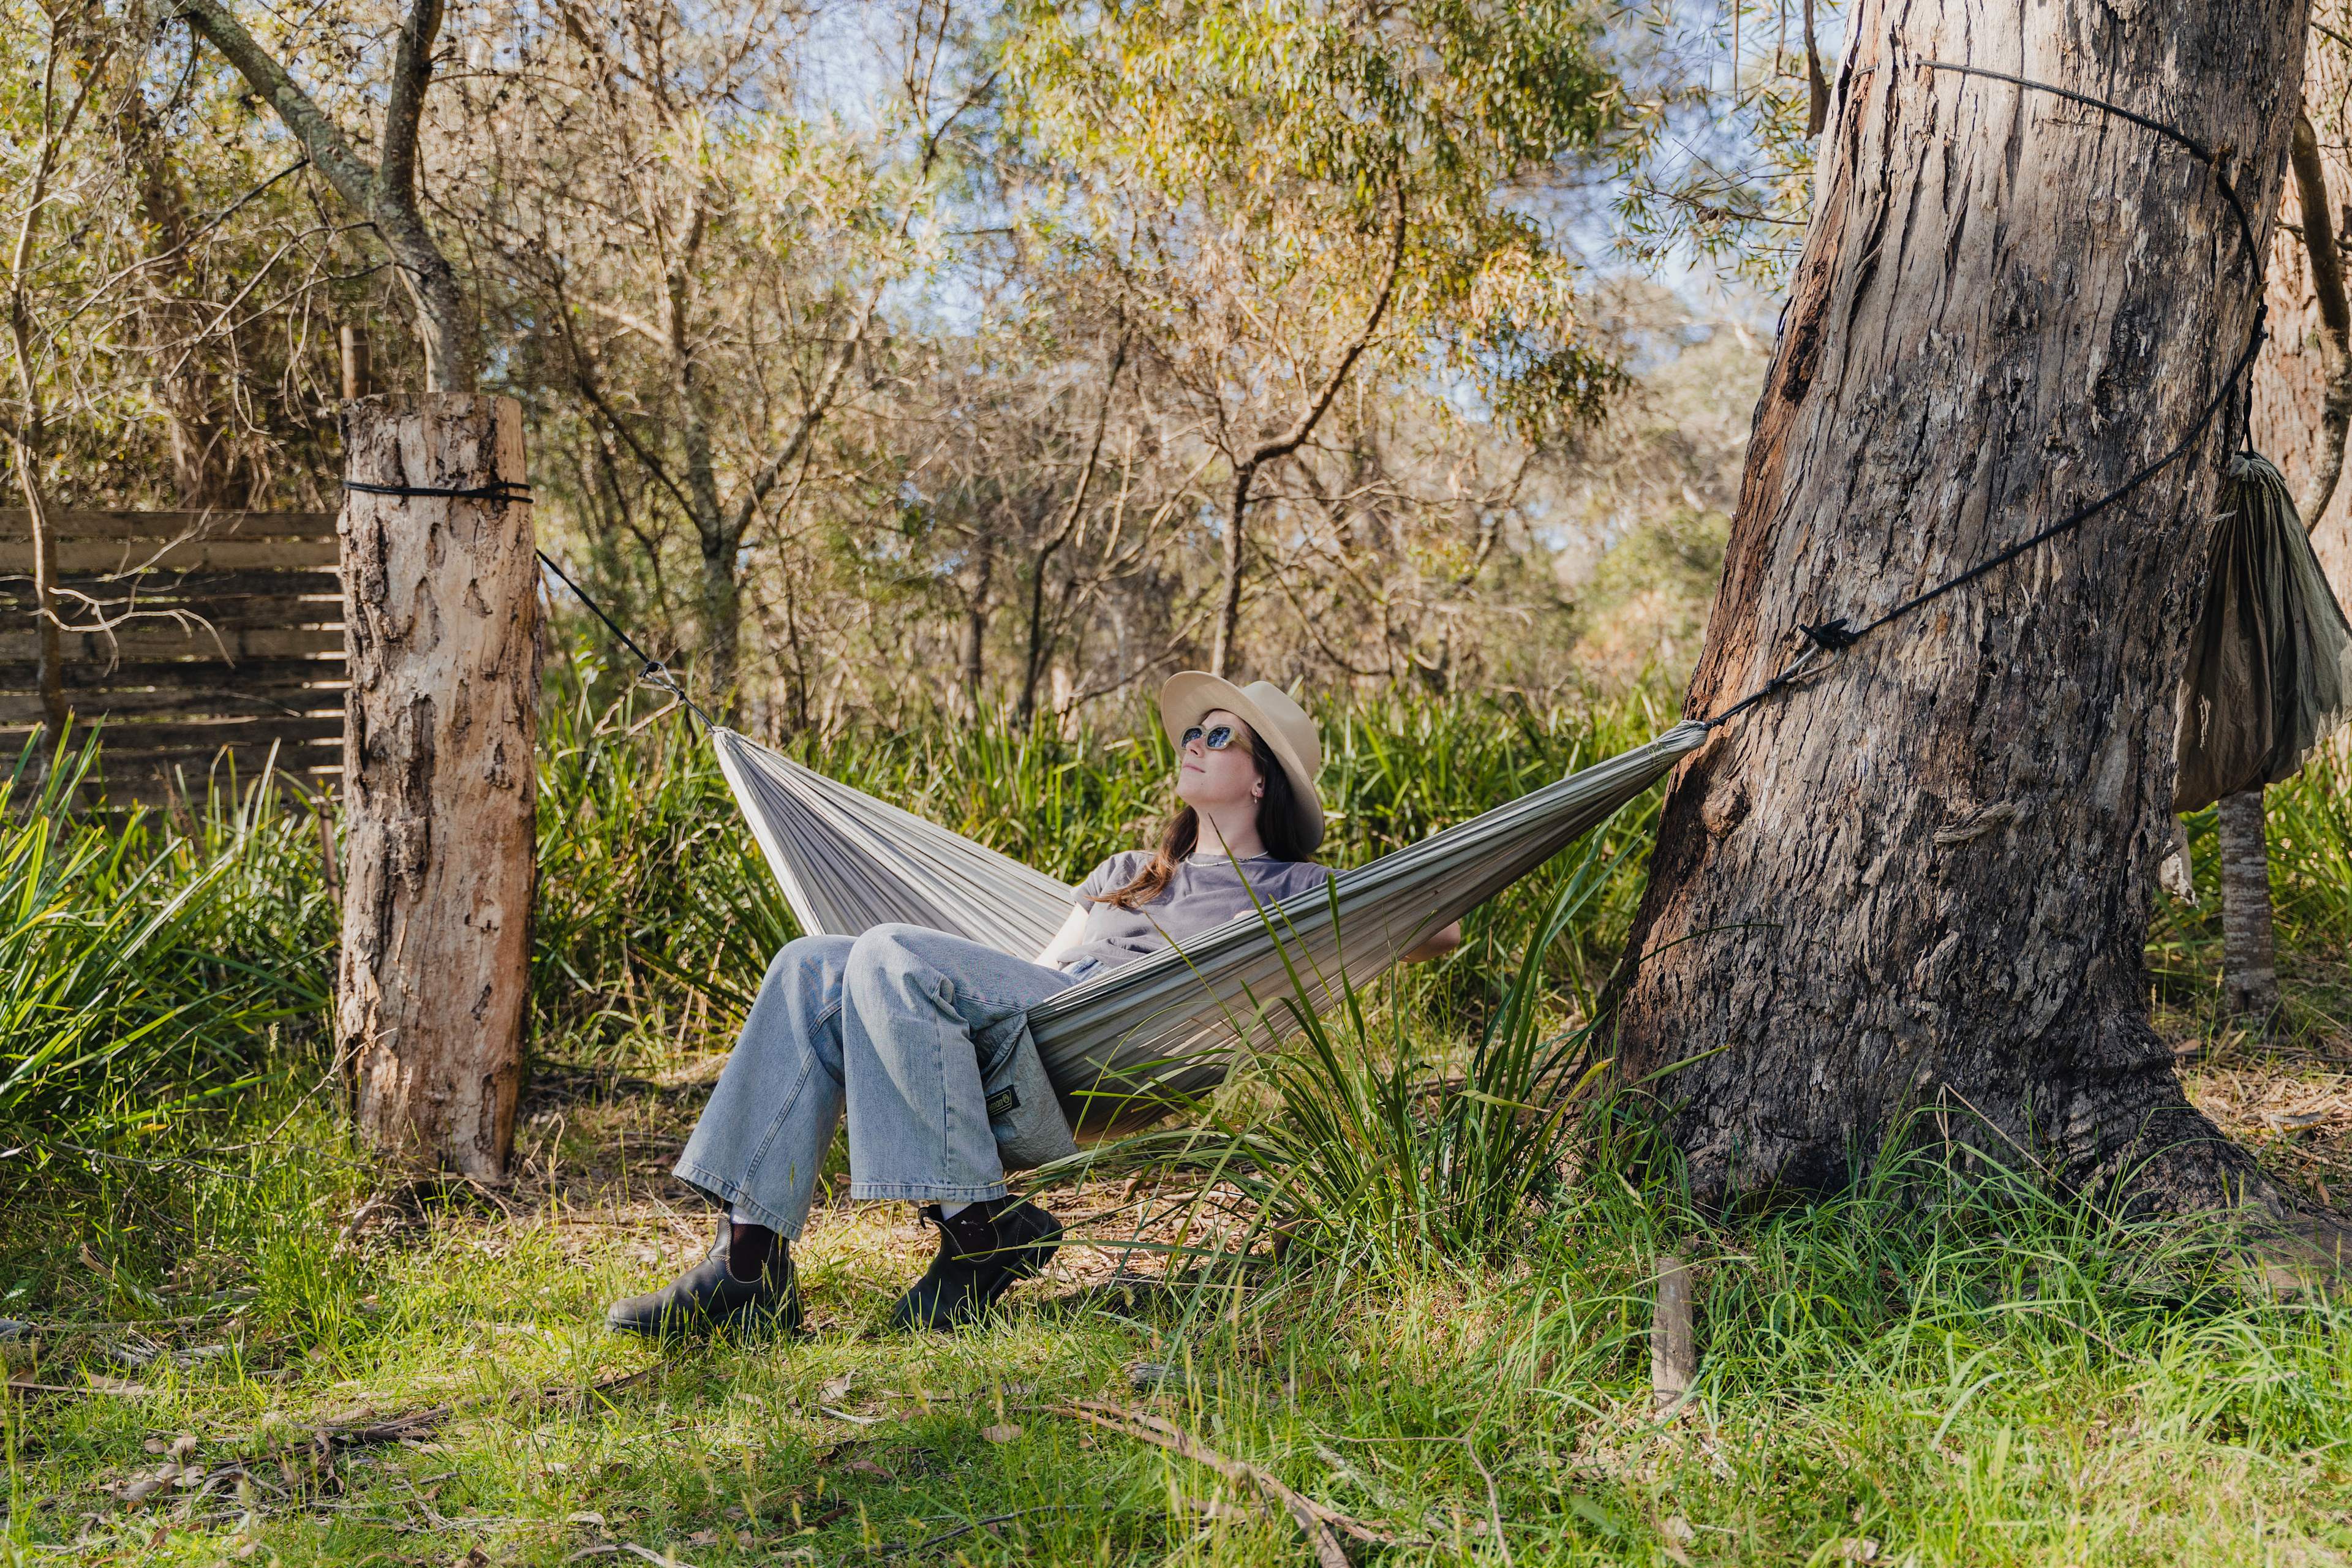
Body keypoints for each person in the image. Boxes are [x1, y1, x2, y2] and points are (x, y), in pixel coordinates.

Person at [604, 673, 1461, 1338]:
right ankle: (749, 1263)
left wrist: (1331, 926)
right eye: (1192, 732)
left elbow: (1438, 929)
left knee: (889, 952)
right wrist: (914, 1007)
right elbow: (1038, 967)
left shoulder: (1293, 887)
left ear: (1262, 780)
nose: (1193, 742)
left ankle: (977, 1232)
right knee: (809, 966)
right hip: (1051, 1020)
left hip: (1142, 1036)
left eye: (1218, 735)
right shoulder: (1128, 870)